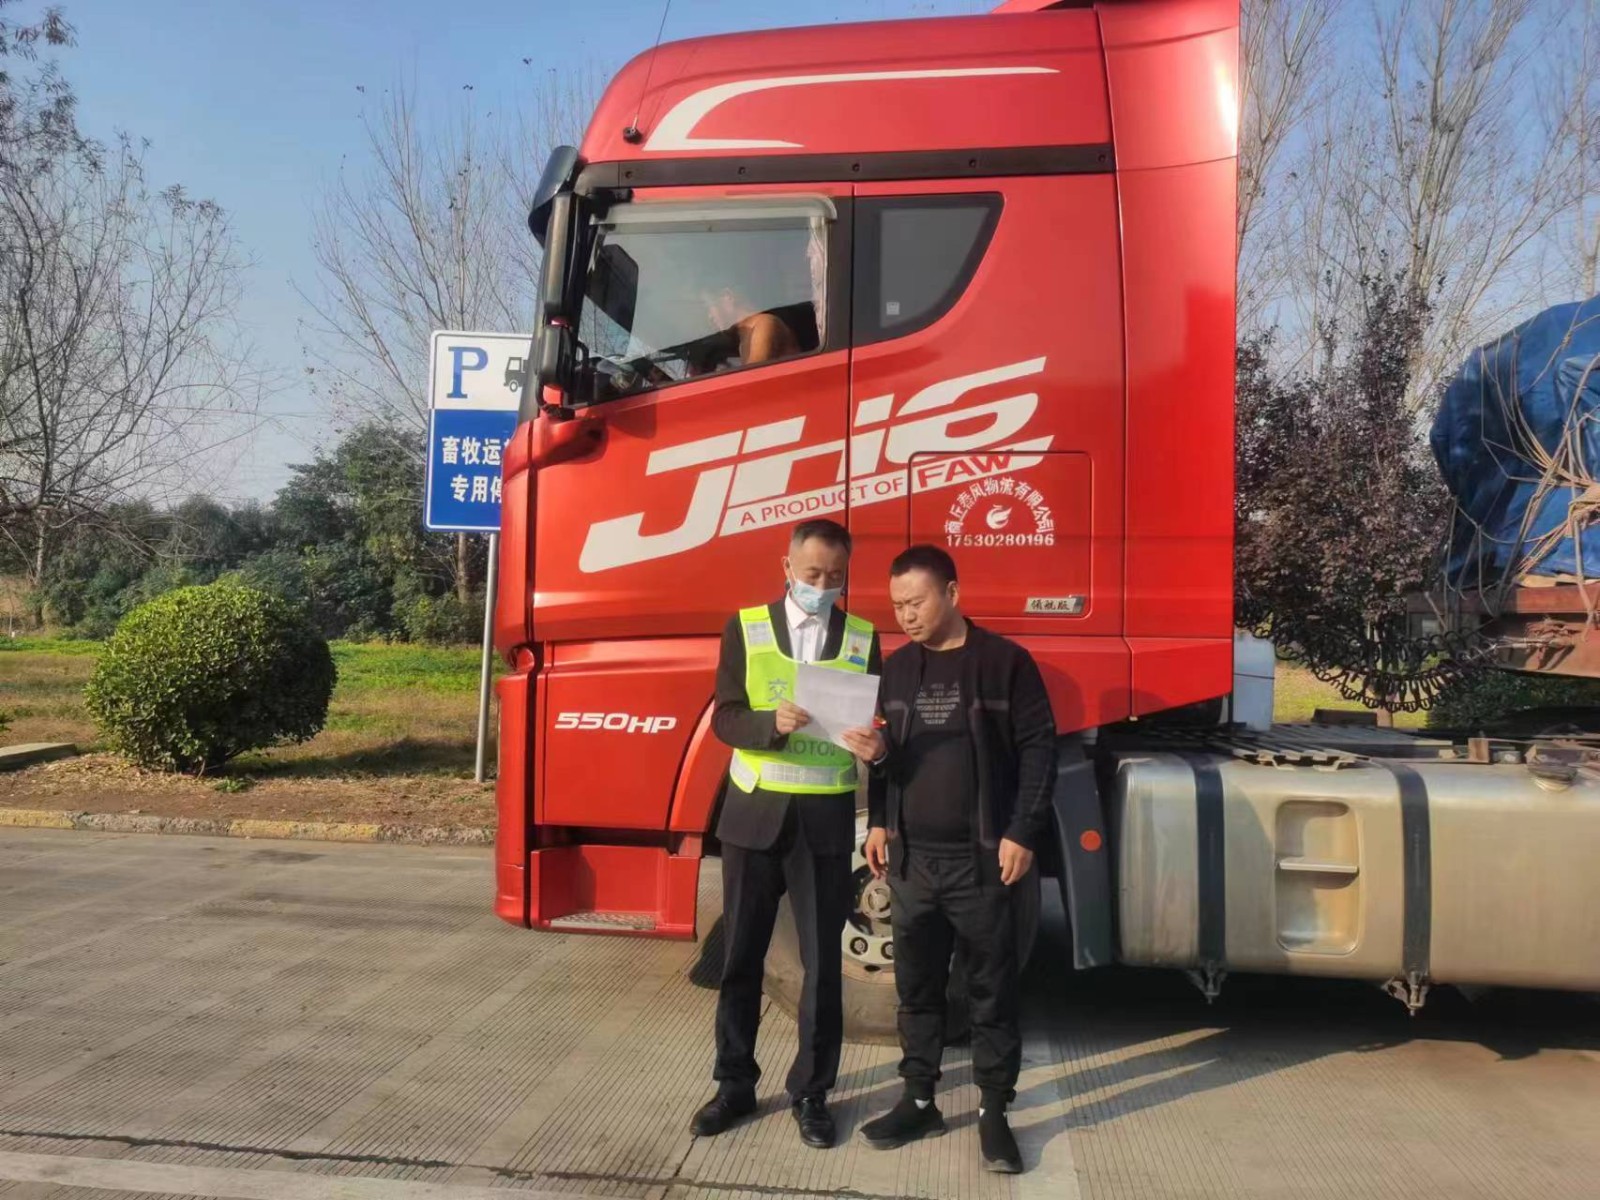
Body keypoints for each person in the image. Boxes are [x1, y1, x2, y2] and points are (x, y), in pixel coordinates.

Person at [841, 544, 1056, 1175]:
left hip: (982, 862)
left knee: (990, 990)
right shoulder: (898, 670)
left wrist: (1022, 830)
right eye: (898, 605)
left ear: (953, 593)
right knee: (917, 989)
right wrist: (880, 819)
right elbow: (889, 755)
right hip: (913, 863)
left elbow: (1039, 748)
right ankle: (919, 1100)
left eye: (917, 602)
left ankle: (994, 1112)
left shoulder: (1004, 663)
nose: (906, 615)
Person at [690, 518, 883, 1150]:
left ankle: (811, 1094)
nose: (823, 586)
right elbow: (725, 718)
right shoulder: (745, 628)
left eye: (835, 576)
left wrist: (874, 745)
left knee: (822, 968)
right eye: (812, 573)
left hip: (824, 824)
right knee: (741, 958)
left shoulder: (862, 637)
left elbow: (876, 728)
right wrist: (768, 723)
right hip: (754, 817)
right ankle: (734, 1084)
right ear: (787, 568)